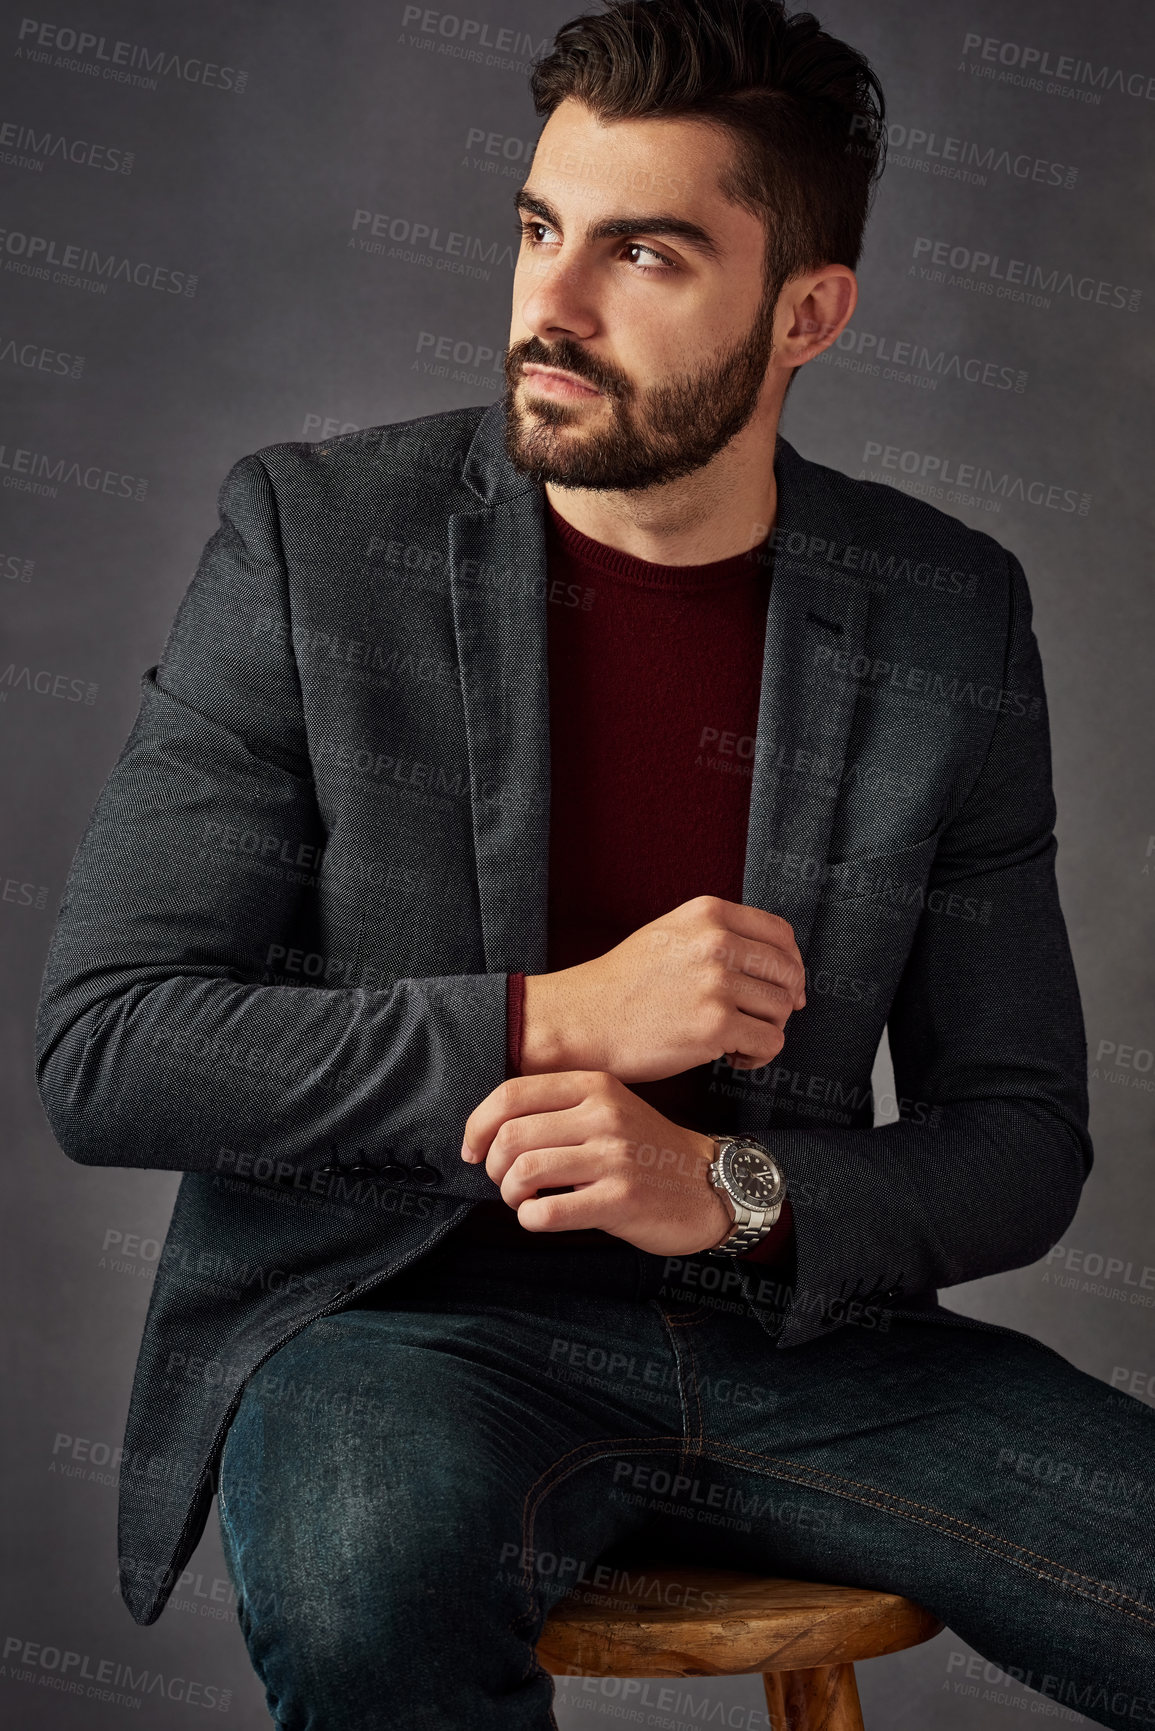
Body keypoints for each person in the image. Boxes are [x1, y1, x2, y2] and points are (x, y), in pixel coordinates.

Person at [35, 1, 1155, 1726]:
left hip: (803, 1345)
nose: (548, 310)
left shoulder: (950, 610)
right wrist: (553, 1019)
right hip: (393, 1326)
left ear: (807, 314)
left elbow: (1020, 1137)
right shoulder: (318, 546)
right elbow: (108, 1047)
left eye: (642, 253)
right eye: (539, 230)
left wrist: (729, 1194)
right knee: (366, 1599)